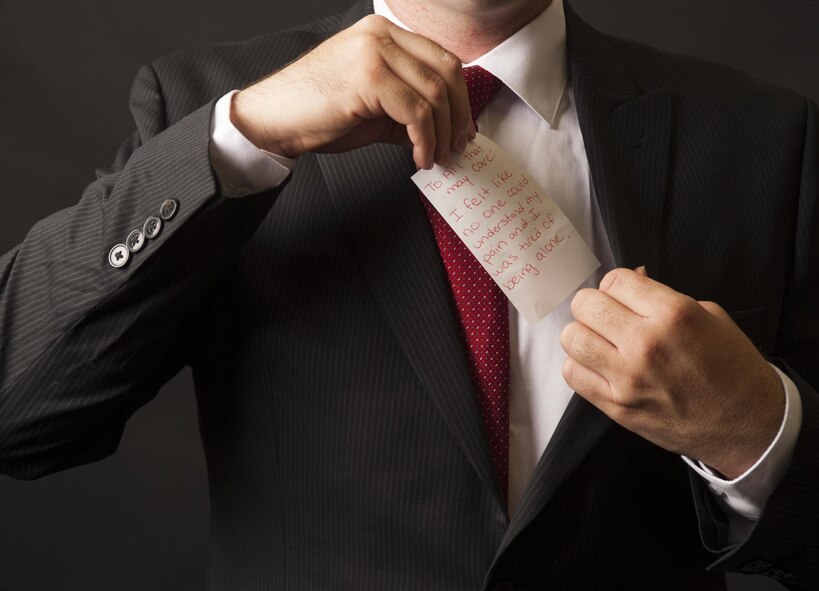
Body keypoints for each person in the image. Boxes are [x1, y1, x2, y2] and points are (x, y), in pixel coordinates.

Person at [0, 0, 816, 588]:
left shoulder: (762, 136)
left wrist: (759, 432)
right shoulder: (205, 108)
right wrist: (243, 139)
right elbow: (18, 412)